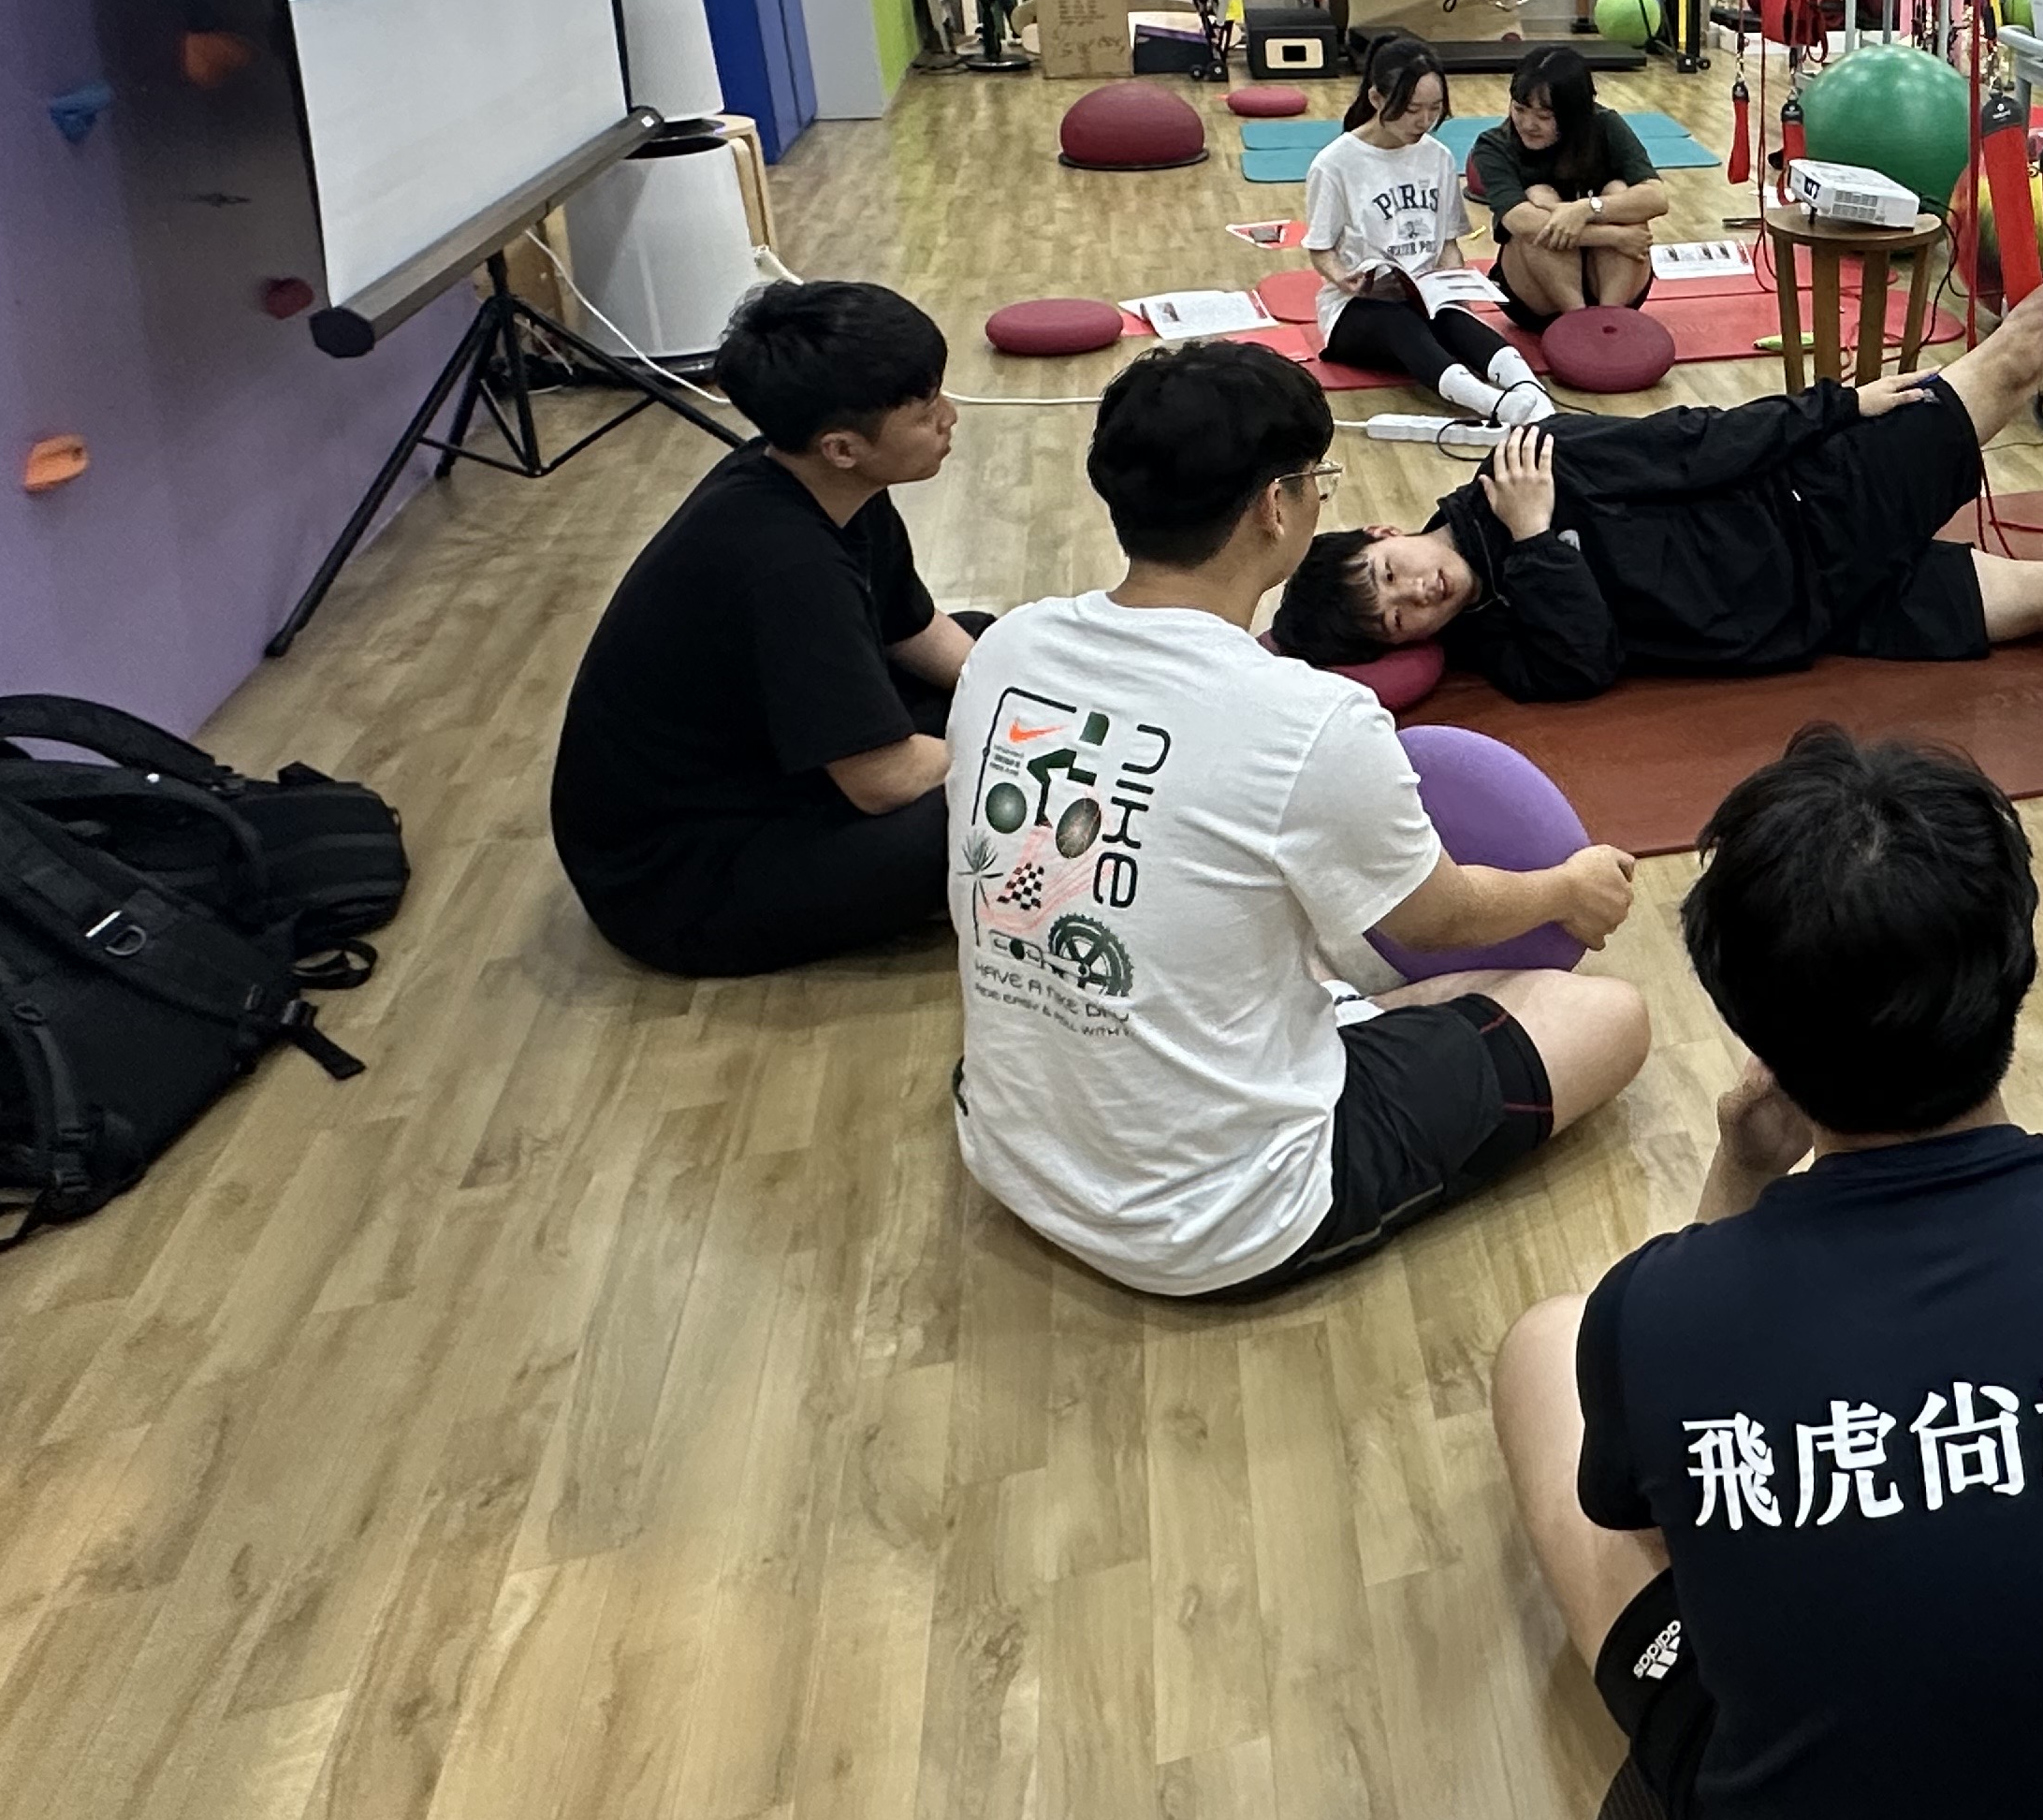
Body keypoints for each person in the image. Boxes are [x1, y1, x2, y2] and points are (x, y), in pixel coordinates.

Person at [1493, 726, 2043, 1820]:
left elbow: (1673, 1519)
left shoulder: (1657, 1309)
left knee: (1544, 1351)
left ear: (1749, 1024)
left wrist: (1743, 1170)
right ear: (2018, 964)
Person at [943, 341, 1649, 1297]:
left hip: (1008, 1146)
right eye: (1317, 478)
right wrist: (1566, 888)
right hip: (1217, 1222)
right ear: (1276, 505)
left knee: (1354, 969)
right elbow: (1438, 919)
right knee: (1610, 1016)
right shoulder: (1308, 718)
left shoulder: (1009, 646)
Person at [1270, 289, 2043, 700]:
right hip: (1832, 613)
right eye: (1398, 621)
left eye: (1391, 575)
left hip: (1821, 500)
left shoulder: (1532, 460)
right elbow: (1586, 662)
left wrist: (1839, 407)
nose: (1419, 595)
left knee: (2018, 355)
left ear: (1383, 531)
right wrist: (1534, 544)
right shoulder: (1494, 644)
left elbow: (1694, 444)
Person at [551, 280, 982, 977]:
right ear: (842, 447)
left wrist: (1023, 697)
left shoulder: (820, 480)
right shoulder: (787, 566)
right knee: (992, 819)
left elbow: (912, 627)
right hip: (679, 879)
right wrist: (1035, 747)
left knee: (988, 647)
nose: (949, 417)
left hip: (766, 767)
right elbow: (883, 779)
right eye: (926, 410)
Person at [1305, 36, 1559, 428]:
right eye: (1412, 110)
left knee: (1458, 321)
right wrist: (1343, 277)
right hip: (1356, 310)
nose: (1424, 121)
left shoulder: (1437, 157)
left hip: (1423, 295)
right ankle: (1495, 405)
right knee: (1401, 323)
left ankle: (1533, 394)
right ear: (1376, 99)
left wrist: (1454, 280)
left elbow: (1447, 243)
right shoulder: (1335, 164)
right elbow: (1320, 249)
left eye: (1435, 109)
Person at [1468, 44, 1669, 328]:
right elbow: (1521, 221)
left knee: (1617, 190)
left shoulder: (1605, 125)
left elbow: (1656, 197)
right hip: (1535, 291)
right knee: (1538, 196)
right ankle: (1580, 324)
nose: (1528, 124)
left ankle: (1610, 322)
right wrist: (1614, 236)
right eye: (1519, 109)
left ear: (1574, 113)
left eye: (1544, 117)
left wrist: (1585, 209)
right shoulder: (1494, 145)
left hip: (1610, 282)